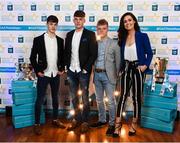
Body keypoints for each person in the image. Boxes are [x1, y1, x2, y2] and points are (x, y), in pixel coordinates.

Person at [113, 12, 153, 137]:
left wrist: (145, 66)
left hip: (137, 69)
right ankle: (117, 124)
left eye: (129, 20)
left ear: (134, 21)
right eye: (125, 21)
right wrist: (120, 69)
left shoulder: (142, 36)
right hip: (126, 68)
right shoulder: (123, 38)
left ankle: (134, 123)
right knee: (122, 97)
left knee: (136, 98)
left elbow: (149, 53)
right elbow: (121, 56)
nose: (127, 23)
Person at [30, 15, 66, 135]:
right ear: (47, 24)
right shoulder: (38, 39)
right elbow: (32, 57)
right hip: (43, 74)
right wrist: (37, 71)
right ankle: (36, 124)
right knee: (40, 99)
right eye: (51, 24)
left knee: (55, 98)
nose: (53, 26)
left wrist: (62, 68)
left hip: (55, 74)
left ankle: (55, 119)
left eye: (55, 24)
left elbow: (63, 57)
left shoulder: (60, 41)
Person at [64, 10, 98, 133]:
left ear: (84, 20)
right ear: (73, 20)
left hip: (83, 71)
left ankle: (85, 121)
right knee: (73, 97)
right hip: (71, 70)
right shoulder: (69, 35)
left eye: (80, 19)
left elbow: (93, 54)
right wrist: (66, 66)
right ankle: (76, 119)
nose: (78, 21)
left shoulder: (90, 34)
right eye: (76, 19)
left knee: (84, 97)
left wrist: (86, 69)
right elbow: (66, 52)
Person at [90, 19, 120, 136]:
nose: (101, 30)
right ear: (96, 30)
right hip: (97, 75)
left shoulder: (114, 43)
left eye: (104, 28)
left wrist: (116, 77)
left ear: (107, 29)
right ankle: (102, 120)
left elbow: (118, 63)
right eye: (99, 28)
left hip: (109, 76)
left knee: (111, 102)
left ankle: (112, 124)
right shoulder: (94, 43)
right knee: (98, 100)